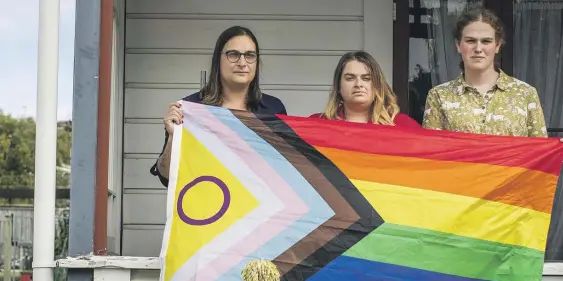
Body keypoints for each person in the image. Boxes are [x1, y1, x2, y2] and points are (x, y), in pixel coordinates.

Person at [149, 26, 287, 187]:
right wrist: (174, 137)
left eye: (250, 55)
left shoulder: (273, 109)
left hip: (261, 210)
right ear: (218, 60)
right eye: (233, 54)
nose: (242, 63)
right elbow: (166, 177)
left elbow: (286, 173)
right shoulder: (190, 109)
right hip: (208, 209)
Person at [422, 8, 547, 138]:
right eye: (470, 41)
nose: (478, 48)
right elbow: (431, 150)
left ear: (497, 45)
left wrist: (556, 149)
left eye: (486, 41)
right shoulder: (439, 96)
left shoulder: (525, 93)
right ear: (458, 45)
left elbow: (541, 150)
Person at [309, 51, 420, 128]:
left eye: (366, 78)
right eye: (350, 78)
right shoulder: (316, 124)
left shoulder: (403, 125)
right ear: (338, 86)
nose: (358, 84)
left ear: (378, 85)